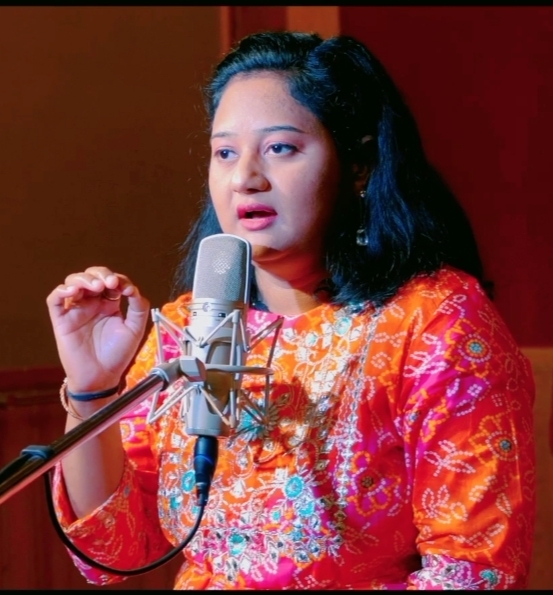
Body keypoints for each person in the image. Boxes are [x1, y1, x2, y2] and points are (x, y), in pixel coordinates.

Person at [46, 30, 536, 590]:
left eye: (280, 148)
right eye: (225, 152)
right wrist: (91, 389)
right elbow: (113, 548)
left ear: (358, 164)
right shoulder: (186, 328)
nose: (244, 178)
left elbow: (473, 571)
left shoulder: (433, 321)